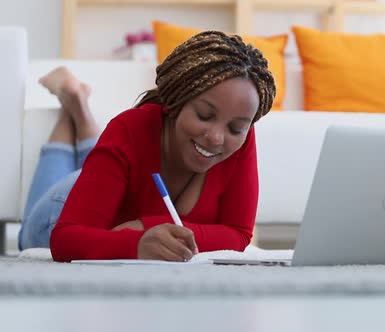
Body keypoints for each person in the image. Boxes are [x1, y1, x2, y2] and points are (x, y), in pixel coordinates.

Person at [18, 31, 276, 262]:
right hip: (60, 207)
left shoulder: (241, 136)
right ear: (176, 101)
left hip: (114, 181)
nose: (217, 138)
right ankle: (73, 109)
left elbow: (239, 235)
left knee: (105, 159)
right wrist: (138, 244)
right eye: (204, 115)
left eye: (235, 128)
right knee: (28, 228)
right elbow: (66, 240)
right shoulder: (130, 128)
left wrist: (143, 227)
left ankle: (77, 107)